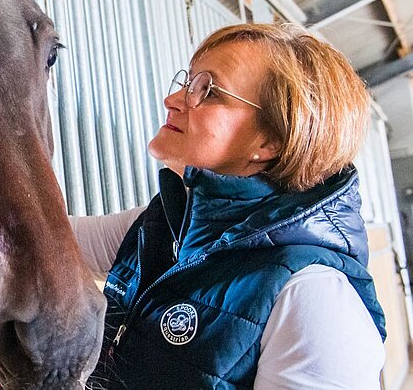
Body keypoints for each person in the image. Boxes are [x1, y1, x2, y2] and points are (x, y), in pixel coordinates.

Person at [74, 23, 386, 390]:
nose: (173, 100)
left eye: (207, 90)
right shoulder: (162, 227)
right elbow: (32, 237)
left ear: (270, 139)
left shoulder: (314, 300)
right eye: (186, 82)